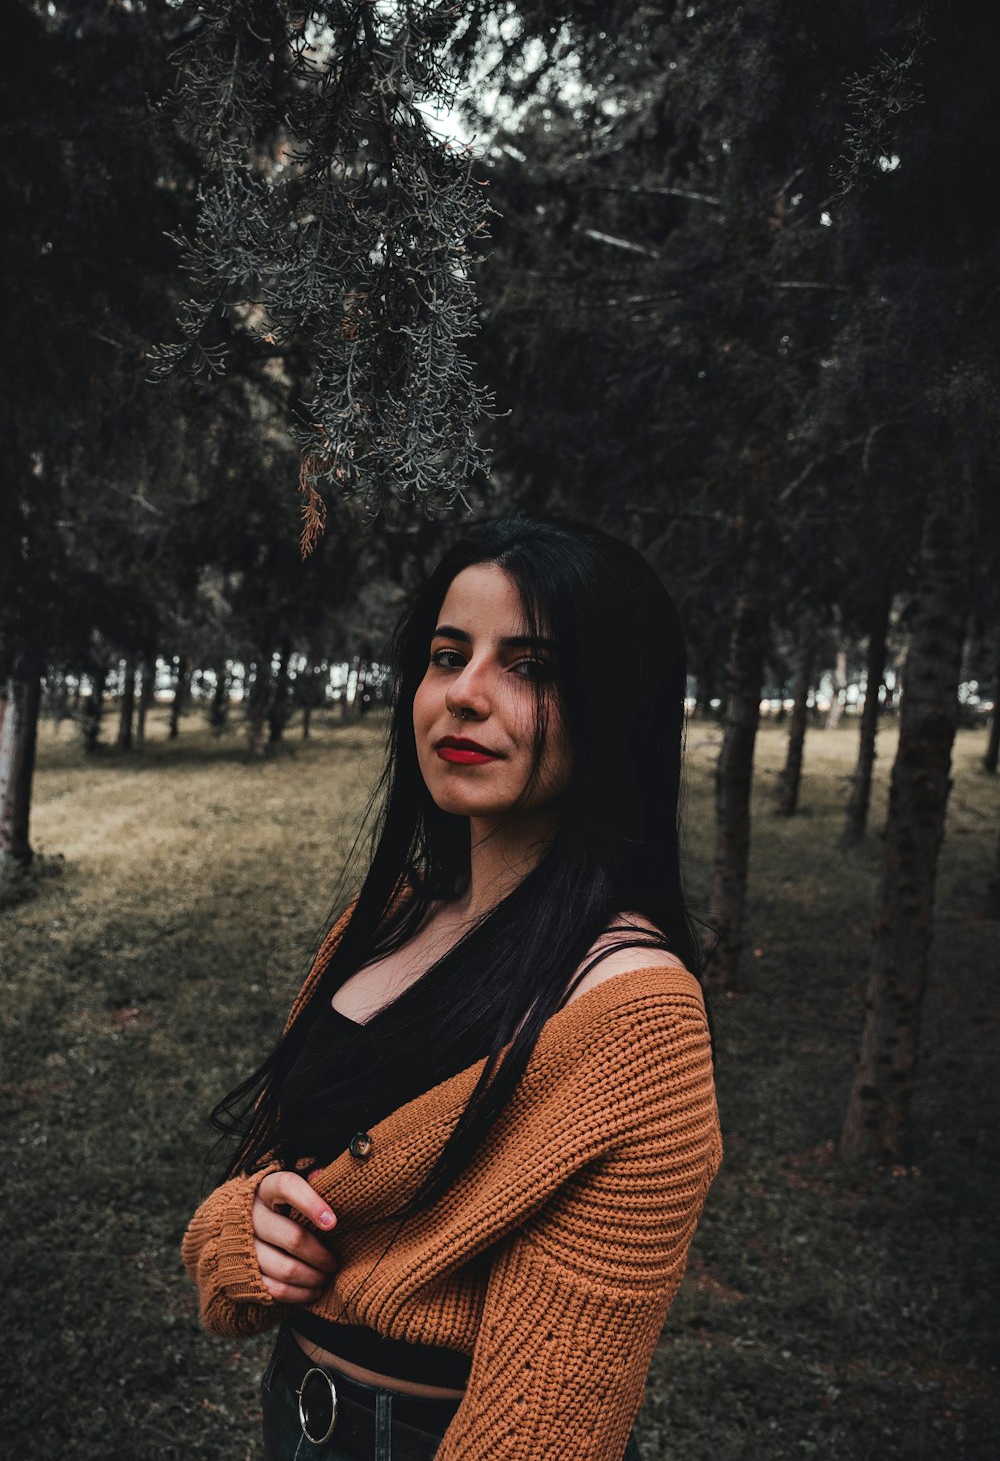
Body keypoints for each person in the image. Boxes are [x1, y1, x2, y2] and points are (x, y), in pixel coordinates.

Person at [182, 515, 721, 1461]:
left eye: (532, 667)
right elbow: (267, 1167)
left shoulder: (637, 1018)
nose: (464, 696)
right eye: (446, 654)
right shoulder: (383, 917)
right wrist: (249, 1229)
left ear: (619, 703)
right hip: (296, 1415)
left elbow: (544, 1428)